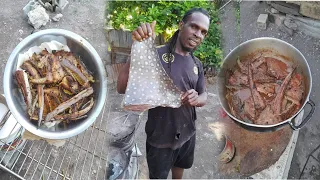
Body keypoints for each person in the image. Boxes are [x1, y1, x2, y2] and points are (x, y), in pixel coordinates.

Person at [117, 8, 210, 179]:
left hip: (188, 133)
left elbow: (204, 96)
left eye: (203, 32)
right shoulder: (155, 55)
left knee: (179, 170)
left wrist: (197, 99)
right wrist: (138, 49)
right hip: (160, 139)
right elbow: (122, 88)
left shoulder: (196, 63)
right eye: (194, 27)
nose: (198, 34)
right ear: (181, 25)